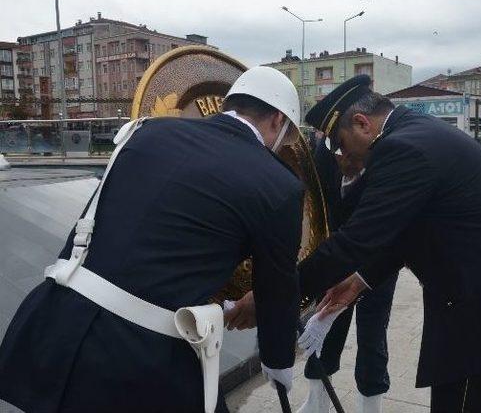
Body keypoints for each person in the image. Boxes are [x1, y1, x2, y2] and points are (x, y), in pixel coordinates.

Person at [0, 66, 303, 413]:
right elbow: (277, 289)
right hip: (140, 361)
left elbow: (106, 238)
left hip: (55, 325)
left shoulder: (145, 132)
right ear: (278, 121)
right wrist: (278, 362)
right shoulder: (280, 187)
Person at [297, 75, 481, 412]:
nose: (342, 155)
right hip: (479, 302)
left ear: (361, 123)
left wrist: (277, 292)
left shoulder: (402, 149)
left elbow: (356, 240)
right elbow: (404, 234)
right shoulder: (415, 132)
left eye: (339, 144)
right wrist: (358, 282)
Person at [297, 137, 399, 413]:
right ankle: (317, 401)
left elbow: (393, 225)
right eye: (337, 154)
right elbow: (317, 206)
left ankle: (371, 404)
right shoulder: (322, 150)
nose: (343, 161)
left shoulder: (388, 158)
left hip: (377, 264)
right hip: (335, 257)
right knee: (323, 331)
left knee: (372, 336)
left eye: (350, 156)